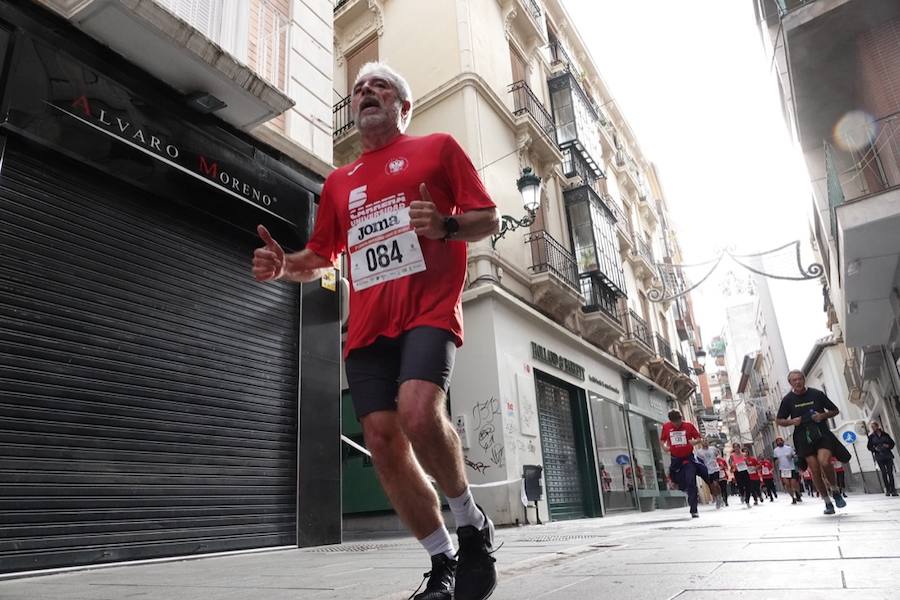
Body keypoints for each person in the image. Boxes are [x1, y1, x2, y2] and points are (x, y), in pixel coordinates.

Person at [252, 62, 500, 600]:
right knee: (384, 443)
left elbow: (488, 218)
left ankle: (470, 521)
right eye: (360, 88)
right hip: (366, 329)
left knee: (417, 412)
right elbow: (322, 254)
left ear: (402, 107)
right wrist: (285, 265)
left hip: (427, 312)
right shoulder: (339, 181)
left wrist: (446, 225)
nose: (365, 93)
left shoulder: (438, 149)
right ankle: (442, 562)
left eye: (379, 87)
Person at [775, 370, 845, 515]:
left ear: (804, 379)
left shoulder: (816, 394)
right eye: (794, 380)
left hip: (821, 433)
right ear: (790, 383)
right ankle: (827, 502)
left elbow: (835, 410)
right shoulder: (788, 400)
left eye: (800, 379)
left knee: (824, 461)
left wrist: (822, 415)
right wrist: (791, 421)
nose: (797, 382)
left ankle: (835, 490)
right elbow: (779, 420)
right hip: (802, 436)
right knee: (814, 469)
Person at [660, 410, 708, 518]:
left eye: (678, 421)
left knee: (691, 481)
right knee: (676, 479)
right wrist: (664, 447)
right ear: (670, 421)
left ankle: (694, 509)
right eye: (674, 422)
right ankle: (683, 487)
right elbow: (662, 440)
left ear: (681, 418)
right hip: (675, 459)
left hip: (688, 458)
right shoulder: (666, 427)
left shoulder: (688, 426)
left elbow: (699, 438)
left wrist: (695, 442)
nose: (677, 424)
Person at [867, 421, 898, 496]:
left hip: (888, 455)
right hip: (879, 456)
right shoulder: (871, 437)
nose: (873, 428)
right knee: (884, 473)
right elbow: (869, 447)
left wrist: (888, 446)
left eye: (874, 426)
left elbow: (892, 443)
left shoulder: (885, 434)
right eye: (872, 427)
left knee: (890, 473)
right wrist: (875, 449)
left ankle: (893, 490)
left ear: (877, 426)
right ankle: (887, 490)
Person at [772, 437, 803, 504]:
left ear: (783, 441)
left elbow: (795, 456)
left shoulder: (789, 448)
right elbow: (775, 460)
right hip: (783, 470)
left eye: (780, 440)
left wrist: (791, 456)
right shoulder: (775, 450)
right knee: (787, 484)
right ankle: (793, 498)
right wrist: (775, 465)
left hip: (791, 468)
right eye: (778, 441)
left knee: (793, 484)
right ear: (776, 443)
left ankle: (797, 493)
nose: (779, 442)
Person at [696, 440, 724, 509]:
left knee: (716, 483)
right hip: (708, 470)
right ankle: (717, 497)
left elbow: (719, 453)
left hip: (715, 468)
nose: (705, 443)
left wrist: (718, 458)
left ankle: (720, 497)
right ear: (701, 443)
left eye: (706, 441)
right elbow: (698, 460)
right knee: (711, 486)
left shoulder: (713, 448)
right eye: (703, 442)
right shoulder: (699, 452)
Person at [729, 443, 752, 508]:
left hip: (744, 471)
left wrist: (747, 462)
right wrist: (733, 465)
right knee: (740, 485)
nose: (736, 448)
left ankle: (747, 501)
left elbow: (747, 462)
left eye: (737, 447)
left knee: (748, 486)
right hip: (737, 472)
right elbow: (730, 463)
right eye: (735, 447)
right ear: (733, 448)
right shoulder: (732, 456)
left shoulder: (744, 454)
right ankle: (742, 494)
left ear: (739, 447)